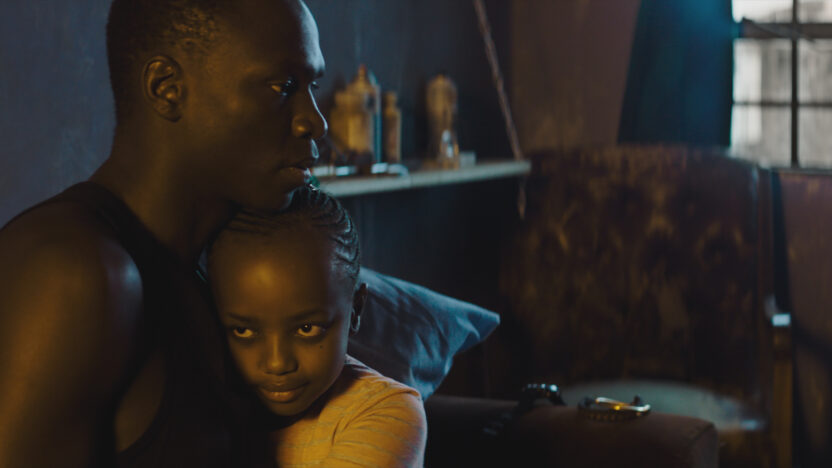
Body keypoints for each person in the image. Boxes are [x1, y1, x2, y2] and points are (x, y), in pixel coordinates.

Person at [0, 0, 326, 466]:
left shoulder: (222, 266)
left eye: (313, 86)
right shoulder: (73, 275)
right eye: (283, 87)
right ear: (167, 88)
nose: (315, 121)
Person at [207, 186, 427, 467]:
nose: (277, 363)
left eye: (307, 328)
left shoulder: (386, 413)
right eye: (244, 331)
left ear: (356, 309)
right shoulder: (203, 406)